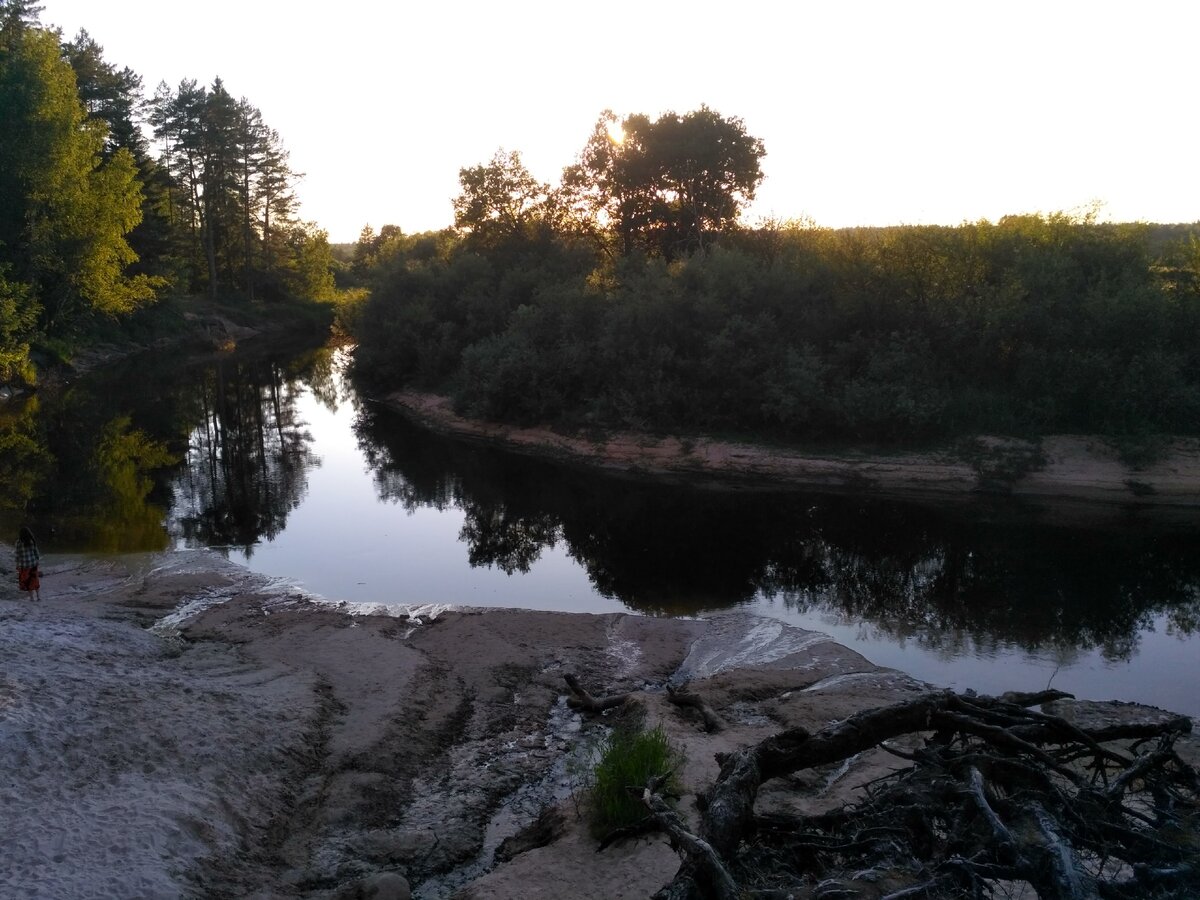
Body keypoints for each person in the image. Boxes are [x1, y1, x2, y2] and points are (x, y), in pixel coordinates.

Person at [15, 526, 41, 601]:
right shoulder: (31, 541)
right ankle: (38, 597)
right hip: (33, 564)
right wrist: (37, 560)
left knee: (28, 581)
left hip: (24, 566)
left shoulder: (18, 543)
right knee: (35, 580)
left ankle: (31, 598)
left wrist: (17, 565)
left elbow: (17, 555)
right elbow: (36, 552)